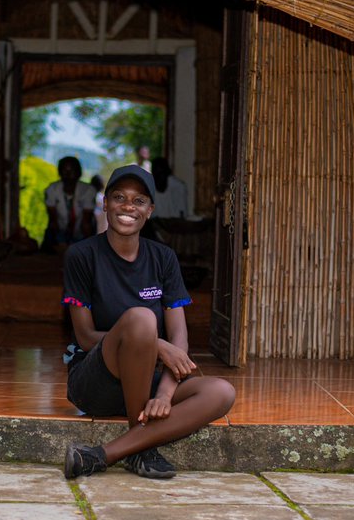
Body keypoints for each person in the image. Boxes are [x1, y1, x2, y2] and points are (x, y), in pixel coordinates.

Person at [60, 164, 235, 479]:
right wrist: (155, 344)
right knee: (141, 318)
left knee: (221, 392)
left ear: (150, 210)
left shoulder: (163, 258)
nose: (128, 206)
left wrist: (165, 394)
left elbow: (180, 340)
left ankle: (101, 456)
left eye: (139, 200)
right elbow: (85, 337)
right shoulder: (82, 255)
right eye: (119, 197)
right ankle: (141, 445)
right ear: (105, 204)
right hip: (95, 380)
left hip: (145, 382)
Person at [43, 156, 97, 251]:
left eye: (72, 170)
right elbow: (53, 220)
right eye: (64, 170)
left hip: (81, 233)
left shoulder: (88, 190)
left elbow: (86, 222)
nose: (68, 174)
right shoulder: (52, 189)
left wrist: (88, 247)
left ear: (78, 173)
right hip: (60, 231)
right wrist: (58, 243)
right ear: (59, 173)